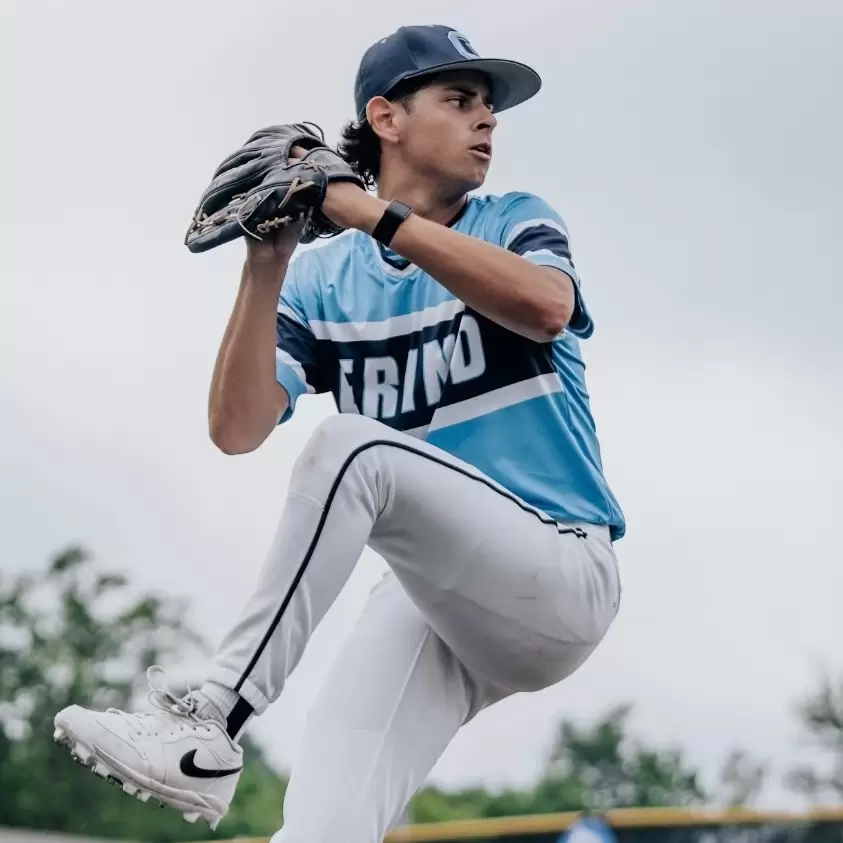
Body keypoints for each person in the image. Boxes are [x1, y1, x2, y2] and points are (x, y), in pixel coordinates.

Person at [53, 23, 626, 843]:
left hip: (559, 568)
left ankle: (212, 718)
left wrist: (365, 211)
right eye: (459, 99)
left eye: (487, 105)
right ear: (386, 117)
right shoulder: (324, 280)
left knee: (352, 445)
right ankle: (217, 743)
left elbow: (545, 307)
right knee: (324, 827)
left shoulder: (511, 218)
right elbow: (236, 429)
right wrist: (265, 266)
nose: (486, 119)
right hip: (437, 593)